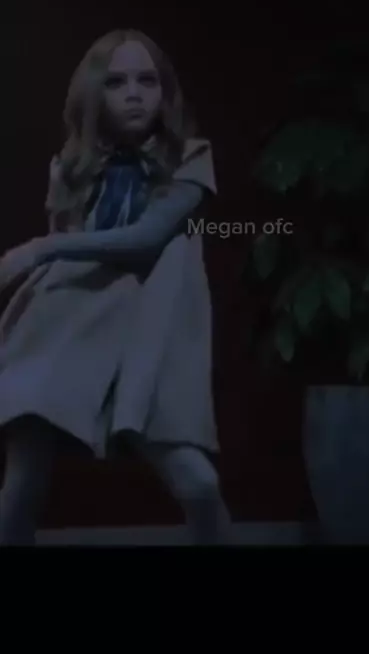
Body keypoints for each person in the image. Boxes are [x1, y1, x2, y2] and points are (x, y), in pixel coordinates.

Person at [0, 29, 232, 545]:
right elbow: (72, 257)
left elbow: (147, 239)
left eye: (147, 81)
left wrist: (41, 248)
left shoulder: (190, 158)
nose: (134, 94)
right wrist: (50, 253)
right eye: (116, 82)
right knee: (22, 478)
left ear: (165, 91)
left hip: (149, 329)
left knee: (197, 482)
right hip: (70, 325)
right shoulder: (70, 168)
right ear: (93, 93)